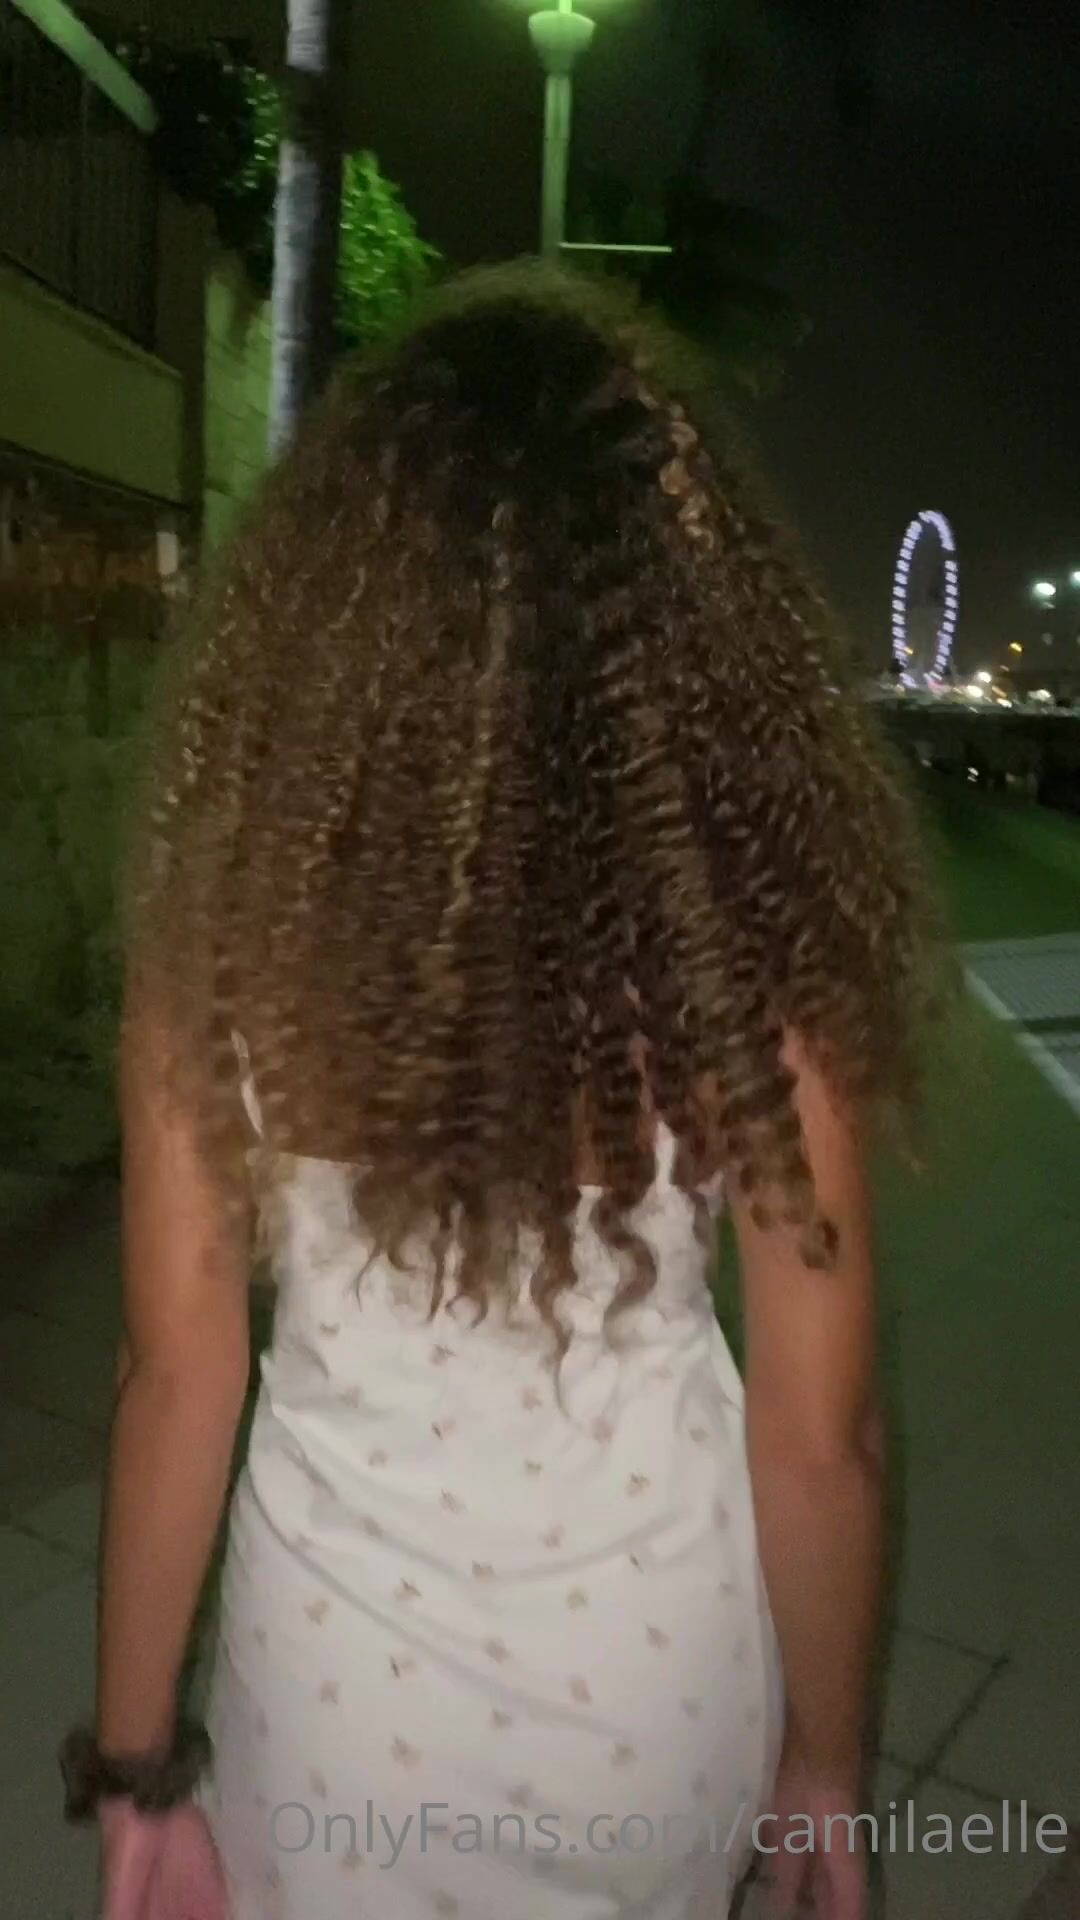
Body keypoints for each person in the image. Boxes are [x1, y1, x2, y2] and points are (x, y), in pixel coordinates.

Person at [68, 264, 940, 1920]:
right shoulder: (745, 948)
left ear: (339, 600)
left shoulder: (233, 925)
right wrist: (825, 1769)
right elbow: (824, 1440)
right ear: (682, 621)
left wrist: (129, 1771)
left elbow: (174, 1379)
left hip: (334, 1712)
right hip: (656, 1703)